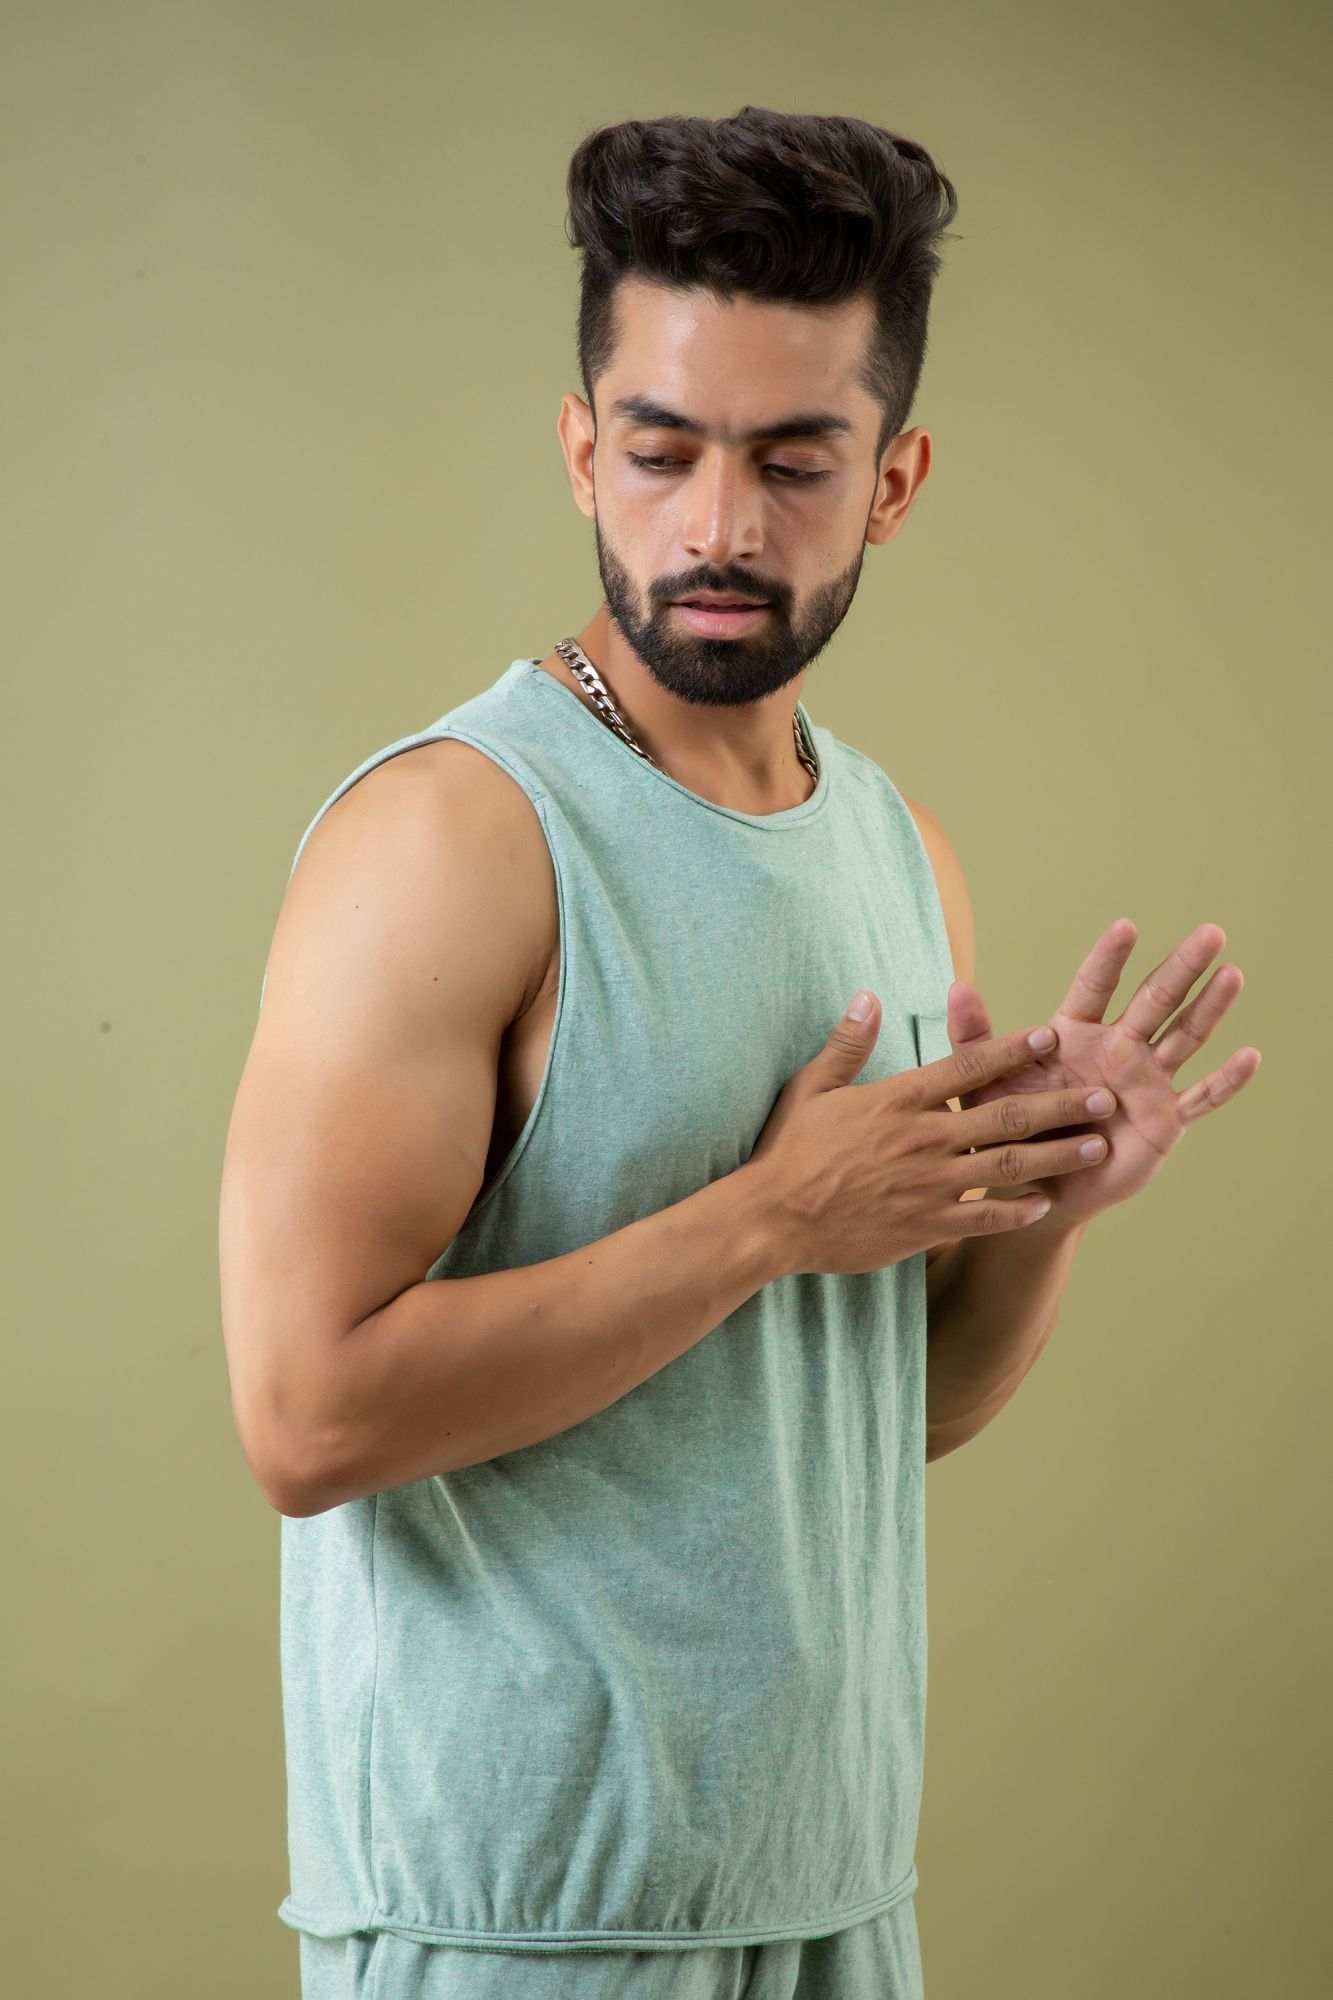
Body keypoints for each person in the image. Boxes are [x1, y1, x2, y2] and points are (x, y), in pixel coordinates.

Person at [218, 106, 1258, 2000]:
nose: (716, 526)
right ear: (577, 448)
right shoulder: (451, 840)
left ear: (895, 479)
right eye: (660, 449)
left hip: (831, 1885)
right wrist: (769, 1218)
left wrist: (1046, 1215)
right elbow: (307, 1419)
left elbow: (888, 1410)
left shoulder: (893, 848)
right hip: (517, 1917)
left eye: (793, 462)